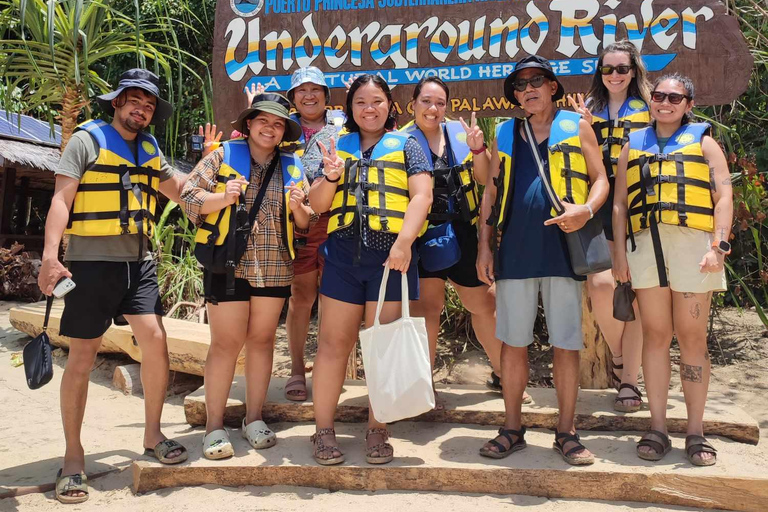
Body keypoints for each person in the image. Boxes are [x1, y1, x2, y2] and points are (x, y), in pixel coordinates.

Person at [37, 68, 190, 504]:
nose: (141, 109)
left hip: (138, 262)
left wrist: (213, 168)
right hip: (90, 264)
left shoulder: (150, 147)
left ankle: (153, 434)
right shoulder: (86, 139)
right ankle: (73, 457)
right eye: (134, 100)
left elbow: (179, 191)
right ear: (117, 101)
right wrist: (51, 256)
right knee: (83, 356)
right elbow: (61, 199)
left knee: (155, 339)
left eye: (149, 104)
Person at [476, 55, 609, 465]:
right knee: (512, 342)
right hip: (515, 249)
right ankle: (512, 428)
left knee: (566, 343)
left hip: (563, 251)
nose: (528, 89)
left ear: (553, 86)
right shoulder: (506, 131)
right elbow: (491, 191)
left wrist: (584, 211)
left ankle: (566, 431)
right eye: (520, 85)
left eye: (537, 80)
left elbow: (600, 178)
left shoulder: (577, 125)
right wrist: (485, 246)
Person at [180, 93, 314, 459]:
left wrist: (300, 207)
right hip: (228, 264)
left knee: (262, 341)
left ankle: (254, 418)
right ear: (249, 124)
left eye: (277, 124)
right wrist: (223, 197)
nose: (269, 129)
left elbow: (304, 222)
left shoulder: (293, 165)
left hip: (274, 265)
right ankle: (213, 426)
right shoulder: (223, 154)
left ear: (284, 130)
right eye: (263, 122)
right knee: (225, 343)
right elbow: (187, 196)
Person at [308, 74, 432, 466]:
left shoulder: (410, 144)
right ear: (351, 108)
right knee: (332, 347)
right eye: (360, 102)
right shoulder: (334, 146)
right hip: (344, 256)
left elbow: (422, 196)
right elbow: (317, 204)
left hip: (391, 258)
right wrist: (329, 176)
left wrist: (403, 243)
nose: (369, 108)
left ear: (389, 105)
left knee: (383, 346)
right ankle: (323, 431)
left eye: (377, 101)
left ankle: (378, 429)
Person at [613, 74, 733, 466]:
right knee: (656, 335)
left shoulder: (705, 142)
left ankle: (696, 430)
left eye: (674, 97)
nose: (665, 102)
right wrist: (619, 255)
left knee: (692, 337)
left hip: (693, 248)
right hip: (645, 247)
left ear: (688, 104)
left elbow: (723, 196)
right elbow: (619, 205)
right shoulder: (633, 145)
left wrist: (719, 246)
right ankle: (658, 426)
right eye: (659, 96)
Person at [403, 77, 532, 406]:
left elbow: (484, 177)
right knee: (427, 311)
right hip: (420, 237)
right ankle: (423, 385)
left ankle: (504, 375)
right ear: (413, 105)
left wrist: (477, 149)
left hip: (462, 232)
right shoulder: (400, 141)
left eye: (440, 103)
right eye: (426, 101)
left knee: (484, 304)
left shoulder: (462, 135)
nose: (433, 108)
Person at [246, 67, 346, 402]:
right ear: (292, 98)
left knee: (338, 300)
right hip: (295, 222)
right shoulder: (281, 129)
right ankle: (297, 369)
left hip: (337, 222)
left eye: (315, 89)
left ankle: (332, 369)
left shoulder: (342, 127)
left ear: (326, 95)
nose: (308, 95)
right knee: (301, 298)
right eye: (301, 90)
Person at [569, 40, 651, 412]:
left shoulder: (650, 108)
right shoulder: (588, 111)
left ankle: (630, 382)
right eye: (608, 69)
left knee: (631, 290)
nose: (615, 75)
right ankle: (620, 358)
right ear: (599, 73)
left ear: (633, 71)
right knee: (602, 285)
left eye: (621, 69)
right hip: (600, 207)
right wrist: (582, 126)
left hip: (639, 207)